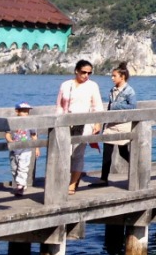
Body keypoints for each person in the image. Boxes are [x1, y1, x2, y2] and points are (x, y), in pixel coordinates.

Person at [56, 60, 104, 193]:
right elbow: (59, 105)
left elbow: (97, 106)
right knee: (64, 153)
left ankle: (72, 183)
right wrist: (58, 122)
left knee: (77, 153)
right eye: (83, 72)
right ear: (76, 71)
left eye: (89, 73)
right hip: (66, 122)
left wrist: (97, 123)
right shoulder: (65, 85)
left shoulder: (92, 86)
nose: (86, 75)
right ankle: (64, 180)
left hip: (83, 122)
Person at [99, 63, 137, 186]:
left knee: (123, 152)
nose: (112, 78)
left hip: (122, 125)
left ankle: (138, 168)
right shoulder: (113, 90)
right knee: (107, 152)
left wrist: (115, 106)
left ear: (122, 77)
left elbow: (133, 106)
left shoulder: (129, 91)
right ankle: (103, 179)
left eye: (114, 76)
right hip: (111, 124)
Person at [7, 102, 38, 197]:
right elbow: (7, 134)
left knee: (23, 168)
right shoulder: (12, 122)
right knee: (14, 168)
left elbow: (34, 136)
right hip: (14, 149)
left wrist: (37, 148)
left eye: (27, 112)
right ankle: (20, 184)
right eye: (24, 111)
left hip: (26, 149)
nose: (26, 114)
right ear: (17, 111)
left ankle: (20, 186)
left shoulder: (30, 123)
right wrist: (10, 141)